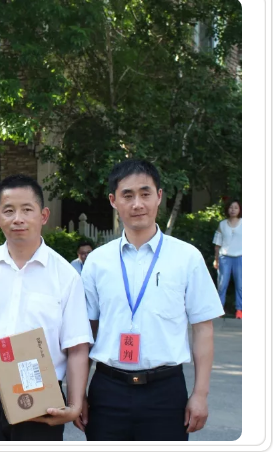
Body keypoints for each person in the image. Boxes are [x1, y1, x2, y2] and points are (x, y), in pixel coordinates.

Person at [81, 159, 224, 441]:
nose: (137, 204)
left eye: (145, 193)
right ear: (113, 201)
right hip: (108, 391)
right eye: (127, 195)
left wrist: (200, 394)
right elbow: (86, 331)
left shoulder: (187, 257)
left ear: (159, 196)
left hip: (166, 393)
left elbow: (202, 329)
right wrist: (78, 394)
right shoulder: (97, 262)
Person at [0, 174, 93, 441]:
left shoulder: (65, 276)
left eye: (27, 210)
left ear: (44, 215)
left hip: (42, 398)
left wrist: (73, 404)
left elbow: (77, 347)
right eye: (9, 211)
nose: (18, 219)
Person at [213, 199, 242, 319]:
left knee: (241, 285)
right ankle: (219, 310)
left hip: (240, 257)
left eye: (236, 207)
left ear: (240, 209)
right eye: (231, 207)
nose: (233, 210)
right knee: (222, 284)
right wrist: (216, 259)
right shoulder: (222, 224)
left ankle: (240, 310)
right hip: (224, 257)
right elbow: (217, 243)